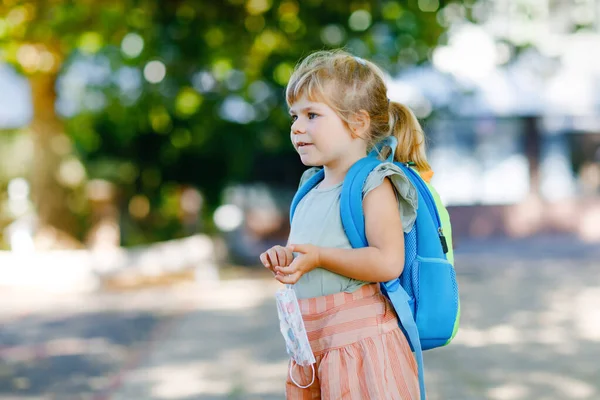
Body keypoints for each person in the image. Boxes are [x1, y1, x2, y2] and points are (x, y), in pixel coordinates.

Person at [260, 49, 432, 400]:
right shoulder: (309, 188)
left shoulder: (373, 183)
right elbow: (310, 255)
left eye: (312, 114)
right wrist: (287, 258)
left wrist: (321, 257)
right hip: (311, 349)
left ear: (358, 122)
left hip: (360, 350)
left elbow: (387, 262)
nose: (297, 127)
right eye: (294, 116)